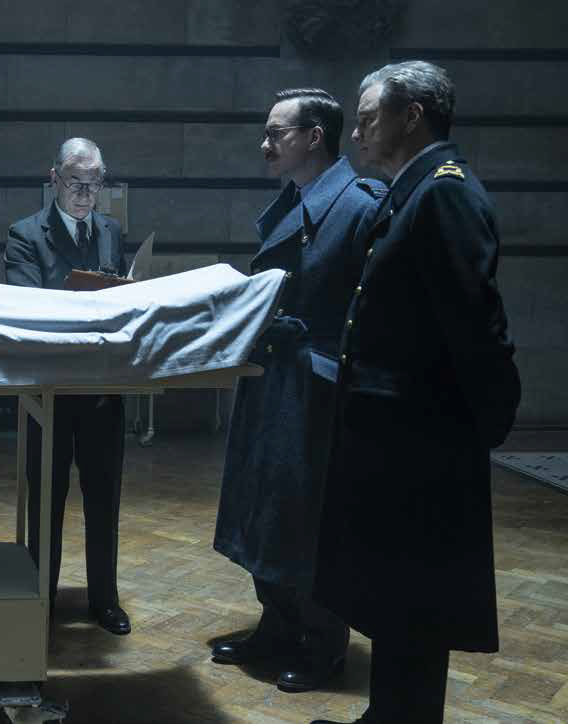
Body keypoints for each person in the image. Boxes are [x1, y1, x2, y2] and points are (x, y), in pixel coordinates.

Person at [310, 61, 521, 724]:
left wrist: (483, 421)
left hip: (422, 442)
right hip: (397, 437)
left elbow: (474, 323)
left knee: (415, 604)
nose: (355, 134)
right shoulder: (415, 189)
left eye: (368, 118)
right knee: (396, 599)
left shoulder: (443, 194)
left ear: (412, 115)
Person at [212, 89, 385, 692]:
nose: (265, 144)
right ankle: (278, 625)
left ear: (314, 137)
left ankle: (323, 642)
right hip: (276, 374)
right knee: (265, 509)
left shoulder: (361, 205)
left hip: (318, 386)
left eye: (276, 133)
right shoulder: (297, 199)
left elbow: (374, 310)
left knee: (309, 517)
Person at [3, 138, 131, 635]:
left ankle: (105, 599)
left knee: (105, 500)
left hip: (102, 389)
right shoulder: (25, 234)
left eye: (94, 183)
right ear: (53, 177)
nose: (85, 193)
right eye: (76, 182)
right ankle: (43, 600)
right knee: (47, 501)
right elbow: (25, 309)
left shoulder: (111, 231)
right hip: (50, 391)